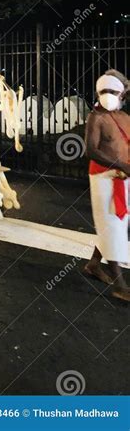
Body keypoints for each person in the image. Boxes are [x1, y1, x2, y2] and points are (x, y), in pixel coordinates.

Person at [84, 70, 130, 302]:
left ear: (122, 94)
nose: (108, 96)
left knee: (115, 224)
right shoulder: (96, 117)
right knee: (111, 224)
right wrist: (120, 163)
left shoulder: (125, 118)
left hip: (124, 177)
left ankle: (93, 264)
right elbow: (91, 150)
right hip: (103, 177)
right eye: (104, 91)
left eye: (113, 92)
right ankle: (120, 284)